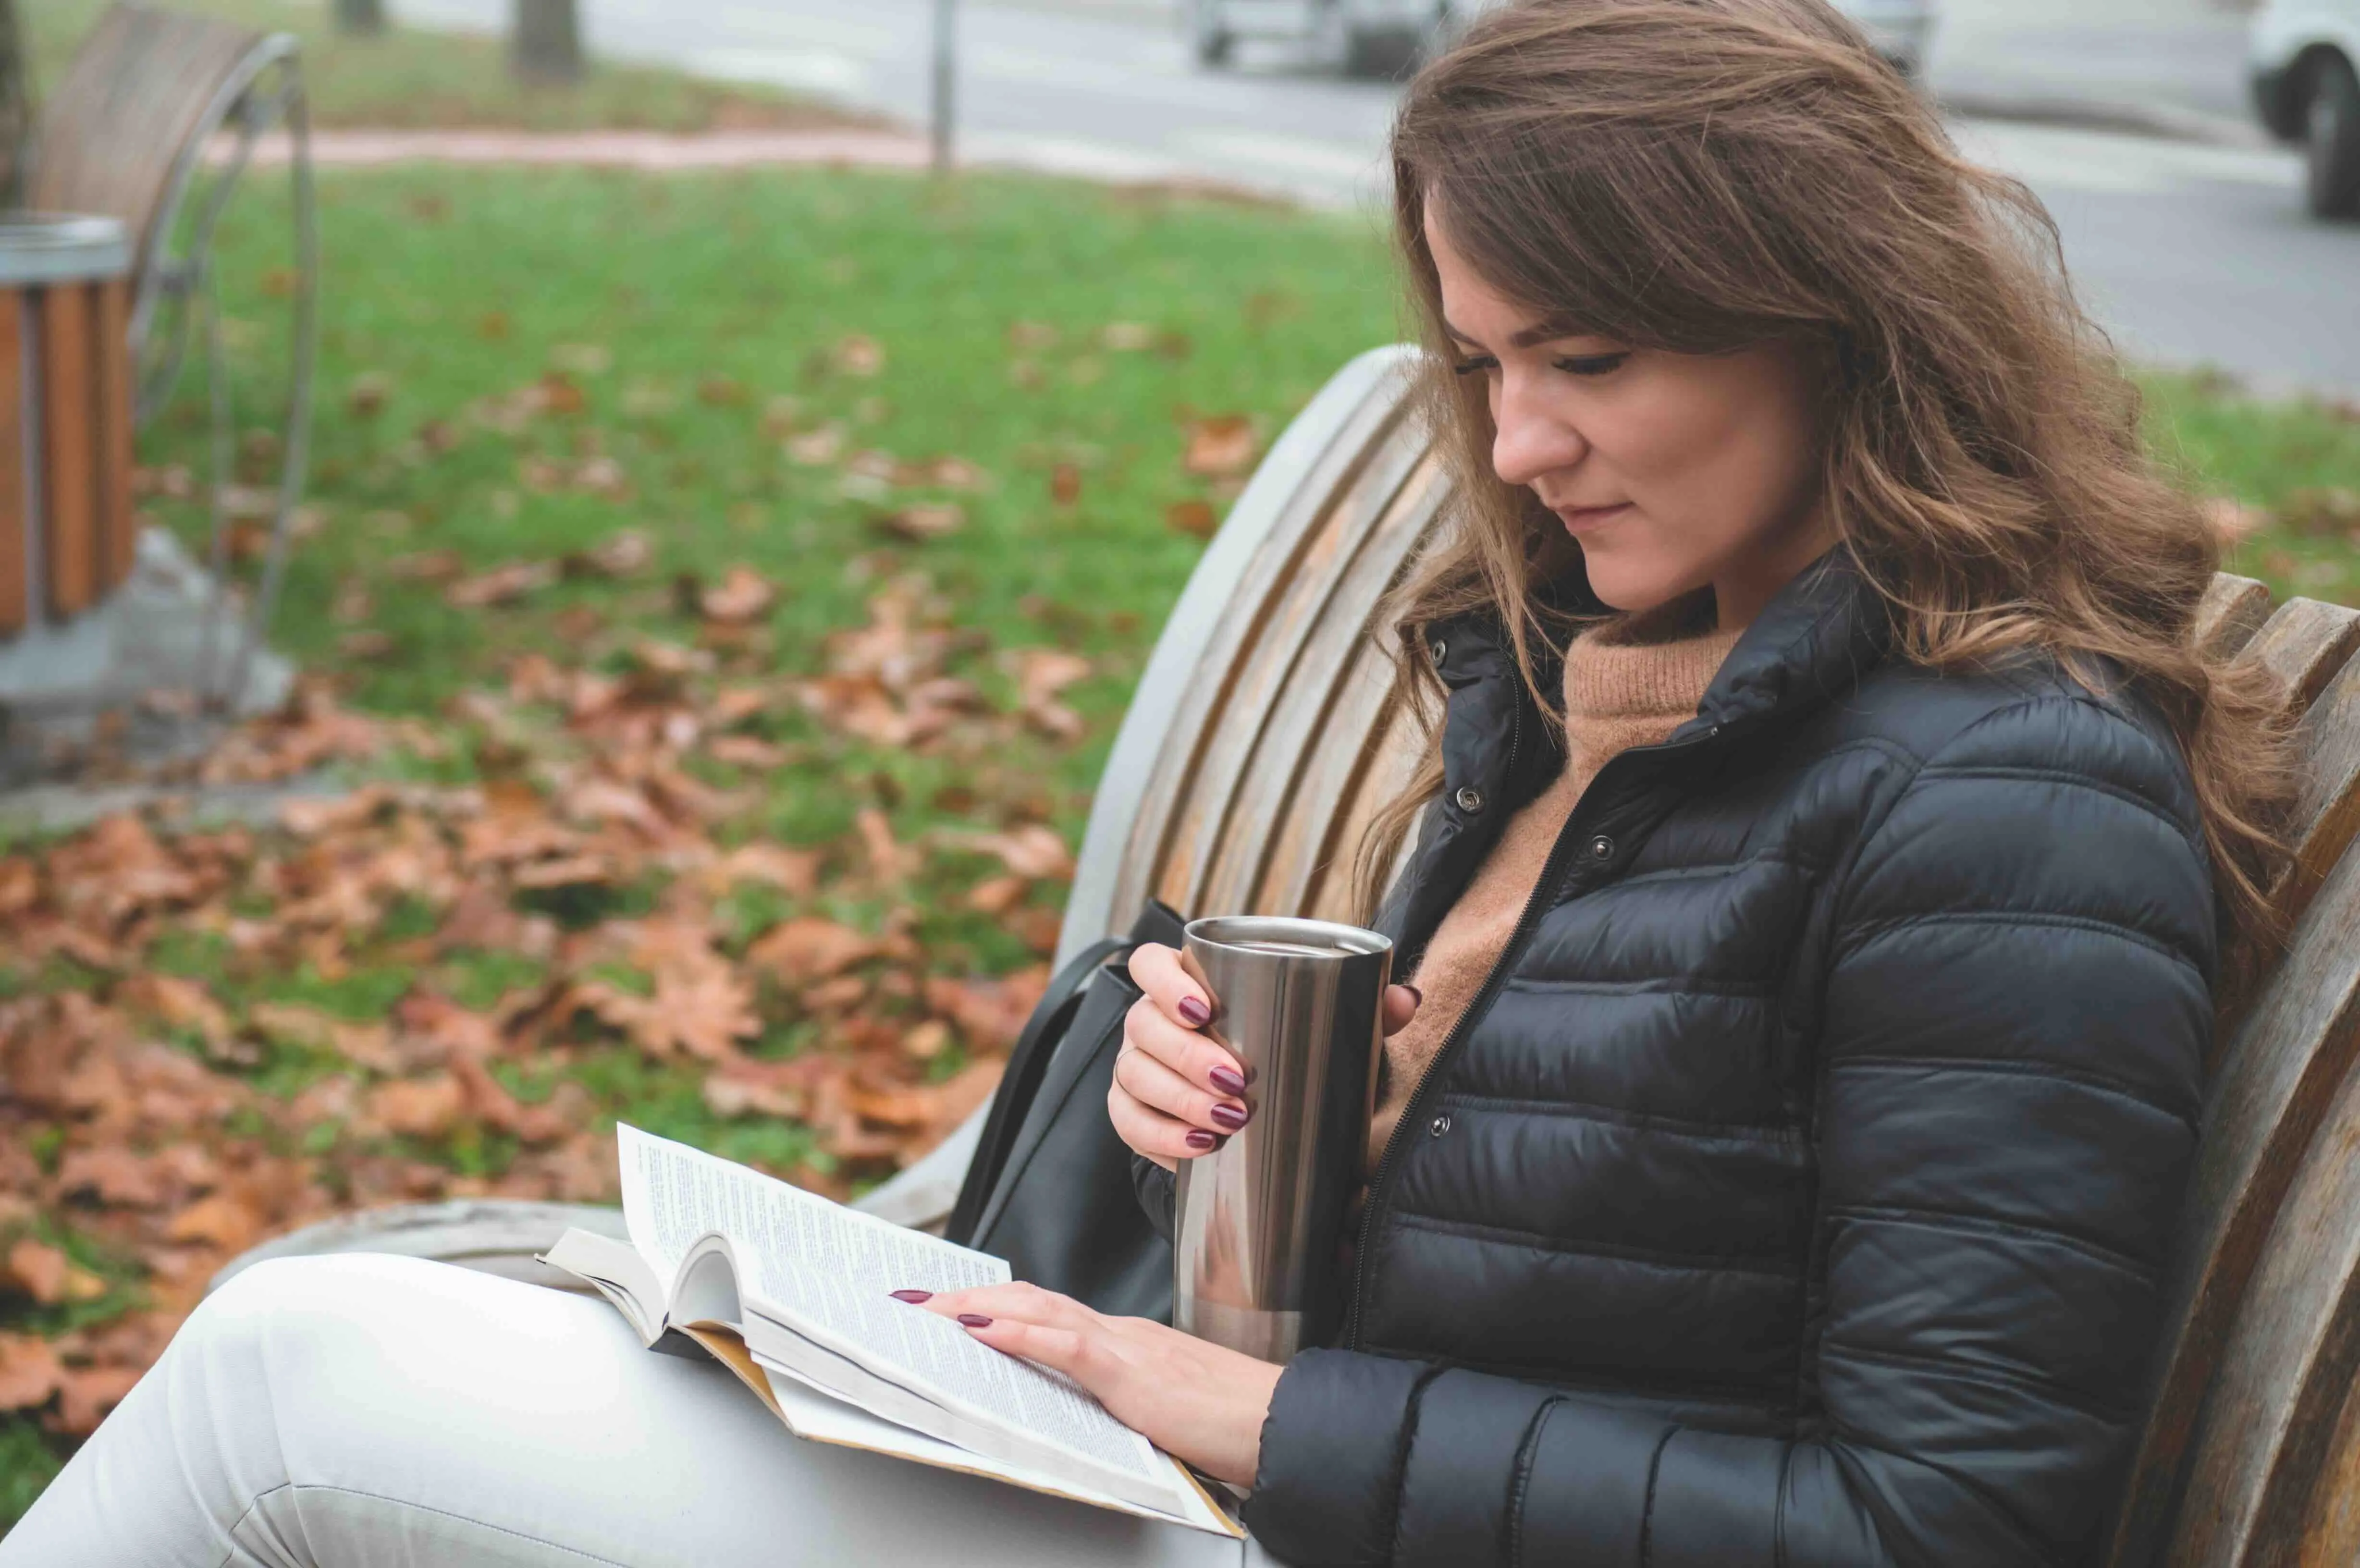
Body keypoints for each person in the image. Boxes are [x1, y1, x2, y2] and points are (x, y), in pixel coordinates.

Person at [4, 0, 2296, 1563]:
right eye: (1484, 364)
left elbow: (1941, 1525)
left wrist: (1245, 1417)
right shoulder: (1619, 683)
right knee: (319, 1367)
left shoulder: (2011, 806)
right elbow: (1573, 1174)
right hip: (1196, 1474)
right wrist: (1200, 1092)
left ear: (1836, 322)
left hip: (1260, 1509)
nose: (1513, 446)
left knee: (297, 1375)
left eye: (1587, 360)